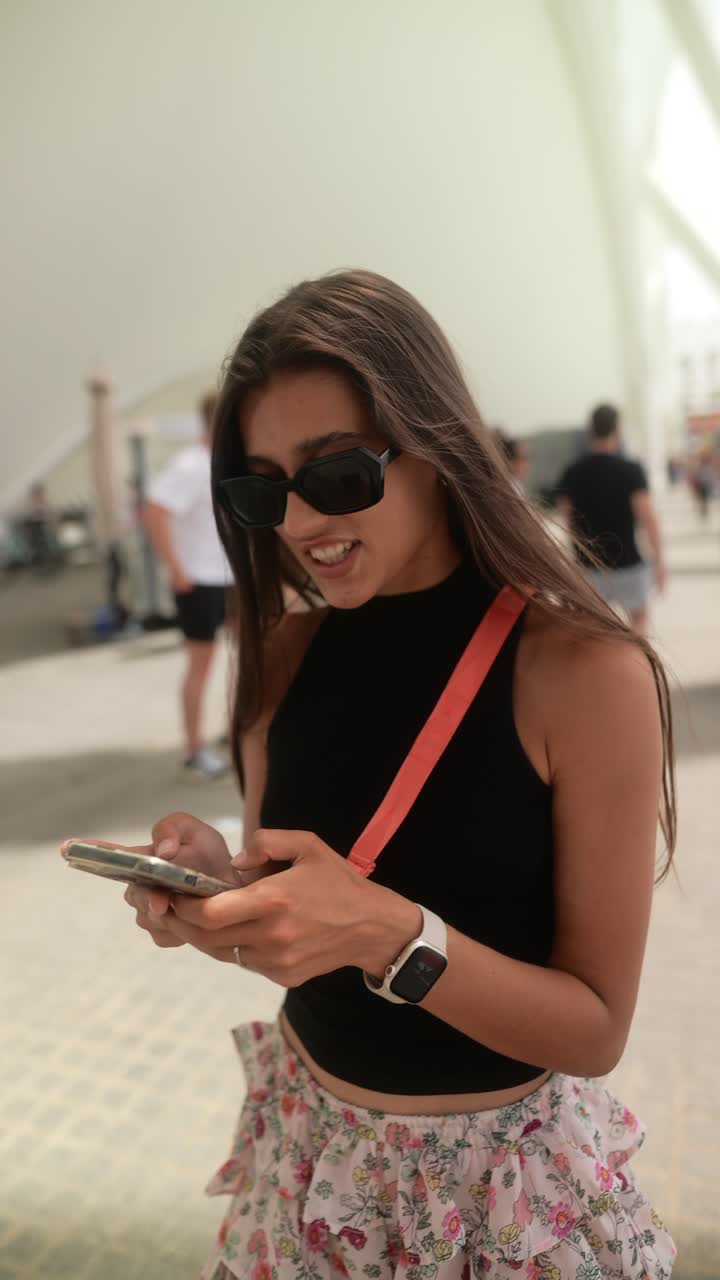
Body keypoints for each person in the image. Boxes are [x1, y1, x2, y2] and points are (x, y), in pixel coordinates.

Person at [112, 272, 675, 1278]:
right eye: (258, 486)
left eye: (336, 473)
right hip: (308, 1161)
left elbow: (594, 1025)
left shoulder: (583, 670)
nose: (295, 518)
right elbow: (298, 914)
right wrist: (214, 891)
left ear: (437, 442)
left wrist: (389, 930)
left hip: (499, 1193)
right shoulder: (281, 649)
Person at [143, 392, 229, 778]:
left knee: (249, 659)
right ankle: (194, 749)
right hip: (198, 581)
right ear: (215, 420)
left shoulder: (222, 463)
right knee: (201, 666)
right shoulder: (190, 465)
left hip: (229, 578)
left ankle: (235, 730)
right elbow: (155, 511)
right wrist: (176, 569)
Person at [556, 404, 666, 635]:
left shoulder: (572, 472)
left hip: (589, 566)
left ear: (591, 431)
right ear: (617, 429)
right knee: (638, 619)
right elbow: (648, 518)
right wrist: (659, 560)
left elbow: (567, 521)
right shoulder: (631, 470)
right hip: (628, 563)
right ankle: (635, 666)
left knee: (596, 628)